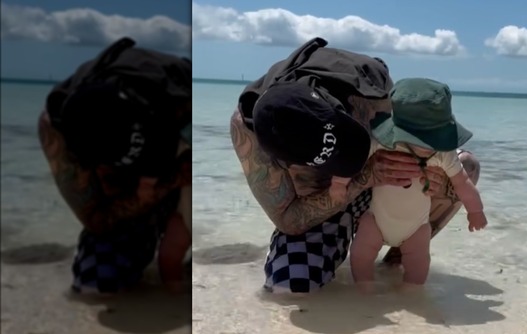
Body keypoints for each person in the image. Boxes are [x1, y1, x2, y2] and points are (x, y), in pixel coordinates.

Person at [230, 37, 481, 294]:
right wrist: (365, 177)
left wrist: (429, 173)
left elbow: (417, 134)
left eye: (350, 141)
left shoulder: (368, 85)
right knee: (289, 287)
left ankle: (397, 262)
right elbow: (289, 221)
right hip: (323, 203)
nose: (346, 162)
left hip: (383, 192)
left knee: (466, 167)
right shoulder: (249, 136)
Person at [39, 37, 192, 294]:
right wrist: (160, 186)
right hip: (144, 191)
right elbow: (97, 220)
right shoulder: (59, 132)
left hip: (182, 159)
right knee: (97, 282)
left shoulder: (183, 96)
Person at [345, 78, 487, 290]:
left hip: (417, 227)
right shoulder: (383, 143)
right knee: (360, 254)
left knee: (419, 264)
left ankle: (412, 294)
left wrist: (475, 210)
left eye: (435, 138)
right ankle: (365, 290)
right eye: (423, 139)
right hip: (375, 220)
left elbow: (463, 183)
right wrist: (340, 183)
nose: (429, 146)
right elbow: (352, 161)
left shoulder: (443, 153)